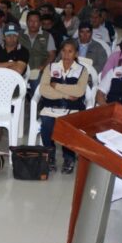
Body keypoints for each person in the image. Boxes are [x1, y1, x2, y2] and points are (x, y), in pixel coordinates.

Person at [39, 40, 89, 174]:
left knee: (69, 128)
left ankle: (69, 158)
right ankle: (50, 155)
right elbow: (43, 89)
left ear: (76, 54)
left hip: (72, 109)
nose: (66, 54)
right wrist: (66, 95)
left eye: (70, 51)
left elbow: (79, 91)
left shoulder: (82, 71)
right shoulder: (51, 67)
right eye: (64, 51)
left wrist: (56, 85)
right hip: (51, 107)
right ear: (60, 52)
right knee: (46, 125)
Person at [20, 10, 56, 89]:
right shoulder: (19, 35)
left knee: (36, 83)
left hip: (39, 69)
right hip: (21, 68)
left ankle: (35, 101)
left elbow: (52, 55)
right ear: (26, 22)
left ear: (40, 23)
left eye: (36, 21)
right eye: (31, 21)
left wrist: (43, 67)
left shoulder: (47, 36)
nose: (33, 24)